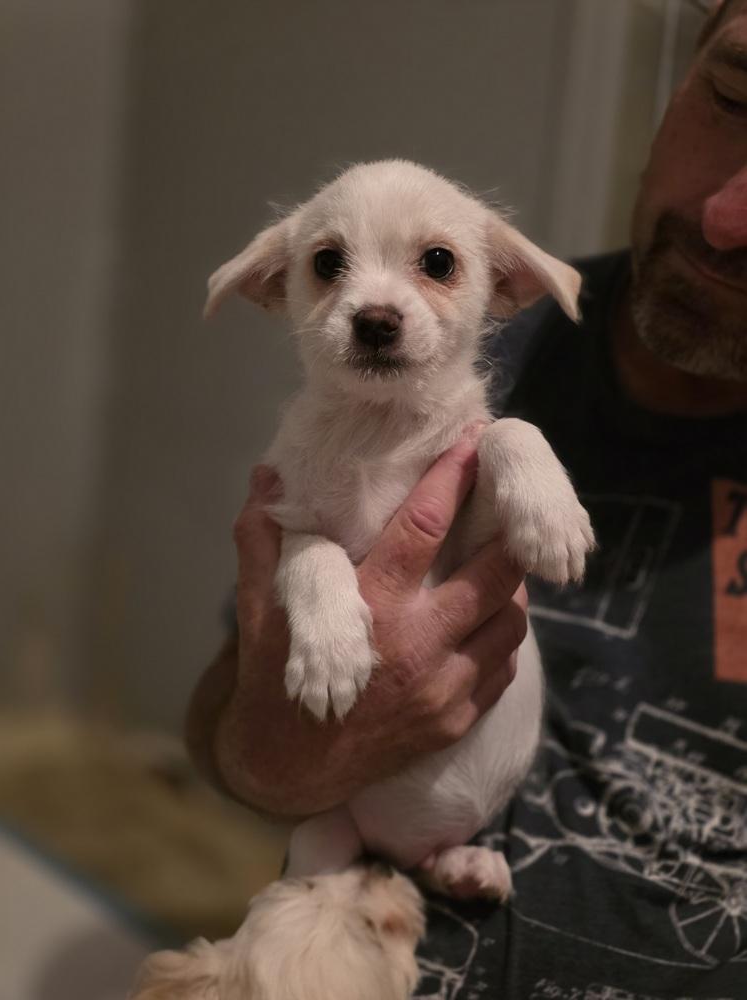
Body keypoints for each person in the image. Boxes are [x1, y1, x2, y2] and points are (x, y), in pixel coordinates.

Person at [186, 1, 747, 995]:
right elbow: (233, 727)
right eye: (735, 94)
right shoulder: (490, 389)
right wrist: (278, 751)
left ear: (499, 282)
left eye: (435, 266)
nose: (727, 216)